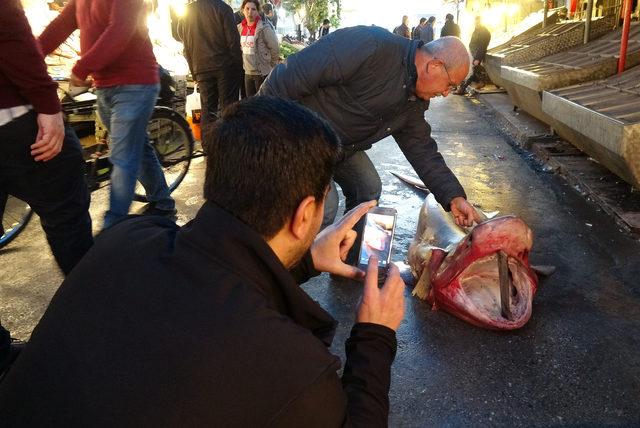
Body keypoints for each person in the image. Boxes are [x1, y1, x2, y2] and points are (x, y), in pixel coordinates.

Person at [0, 96, 406, 426]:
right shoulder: (292, 368)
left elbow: (218, 280)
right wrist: (375, 333)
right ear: (304, 217)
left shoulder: (125, 238)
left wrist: (304, 262)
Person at [259, 27, 481, 229]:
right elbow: (290, 75)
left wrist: (453, 196)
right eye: (450, 85)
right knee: (323, 208)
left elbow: (422, 150)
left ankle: (346, 263)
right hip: (300, 135)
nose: (445, 93)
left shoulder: (414, 101)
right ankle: (287, 268)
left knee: (368, 189)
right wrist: (255, 125)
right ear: (434, 66)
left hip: (340, 146)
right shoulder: (371, 46)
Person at [0, 0, 93, 379]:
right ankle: (101, 323)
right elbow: (14, 33)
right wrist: (49, 101)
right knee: (68, 218)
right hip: (17, 122)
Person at [39, 0, 176, 229]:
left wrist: (82, 67)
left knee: (123, 158)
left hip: (135, 83)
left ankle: (113, 226)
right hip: (104, 86)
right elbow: (60, 26)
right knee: (137, 149)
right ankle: (162, 201)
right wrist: (30, 57)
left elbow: (120, 30)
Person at [171, 0, 242, 124]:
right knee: (229, 109)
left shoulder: (188, 11)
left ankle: (208, 142)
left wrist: (194, 72)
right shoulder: (223, 8)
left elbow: (186, 45)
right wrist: (238, 66)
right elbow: (233, 42)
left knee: (208, 110)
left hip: (201, 67)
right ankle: (229, 142)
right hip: (225, 67)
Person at [238, 0, 280, 97]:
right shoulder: (240, 28)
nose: (250, 12)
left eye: (253, 9)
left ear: (257, 11)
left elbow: (275, 48)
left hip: (262, 73)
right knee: (251, 104)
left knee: (263, 105)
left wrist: (270, 65)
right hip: (247, 73)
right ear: (242, 10)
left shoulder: (264, 28)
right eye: (247, 9)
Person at [455, 16, 491, 95]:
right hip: (474, 53)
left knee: (471, 73)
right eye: (475, 22)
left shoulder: (483, 32)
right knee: (473, 72)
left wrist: (477, 58)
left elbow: (482, 46)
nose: (476, 24)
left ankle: (463, 89)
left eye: (477, 22)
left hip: (477, 55)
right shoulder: (477, 30)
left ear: (481, 22)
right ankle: (476, 84)